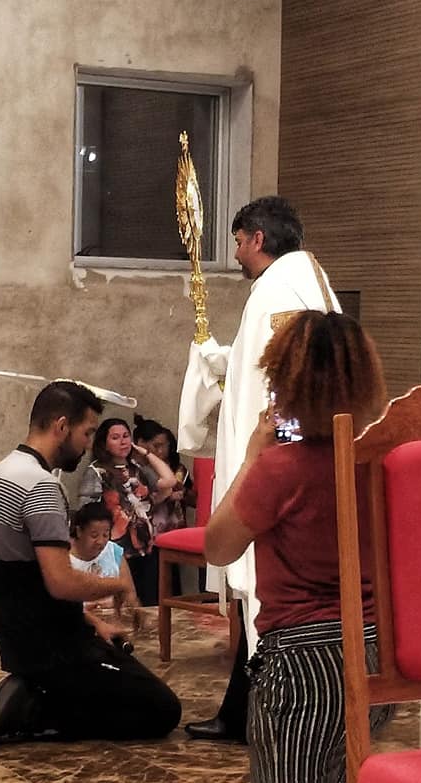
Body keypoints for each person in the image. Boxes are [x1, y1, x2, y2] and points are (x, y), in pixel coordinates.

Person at [179, 195, 340, 742]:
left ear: (257, 239)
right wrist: (222, 361)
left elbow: (283, 382)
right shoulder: (305, 279)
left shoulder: (277, 289)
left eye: (238, 242)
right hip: (303, 463)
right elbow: (267, 365)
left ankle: (268, 709)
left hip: (281, 470)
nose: (236, 254)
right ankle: (241, 706)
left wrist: (274, 459)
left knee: (265, 589)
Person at [206, 310, 391, 783]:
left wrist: (251, 458)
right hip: (376, 650)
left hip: (302, 661)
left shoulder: (280, 468)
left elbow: (218, 547)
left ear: (286, 382)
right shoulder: (380, 464)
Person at [0, 380, 180, 750]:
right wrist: (119, 585)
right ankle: (37, 706)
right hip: (56, 652)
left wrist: (93, 622)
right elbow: (61, 583)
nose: (89, 443)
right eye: (87, 432)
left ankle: (33, 689)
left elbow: (26, 583)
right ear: (61, 426)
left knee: (124, 671)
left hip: (22, 644)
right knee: (162, 710)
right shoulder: (41, 487)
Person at [79, 417, 177, 606]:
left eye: (126, 436)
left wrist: (145, 453)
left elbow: (170, 481)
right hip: (118, 549)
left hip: (146, 546)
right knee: (127, 602)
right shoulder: (97, 471)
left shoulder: (137, 468)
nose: (123, 441)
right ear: (104, 443)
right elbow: (87, 510)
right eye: (115, 438)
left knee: (151, 601)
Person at [69, 501, 142, 640]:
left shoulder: (113, 551)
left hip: (114, 623)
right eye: (94, 535)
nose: (101, 541)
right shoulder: (65, 559)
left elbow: (129, 592)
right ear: (79, 531)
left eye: (105, 534)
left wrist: (131, 605)